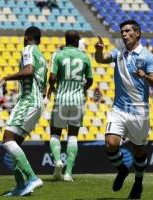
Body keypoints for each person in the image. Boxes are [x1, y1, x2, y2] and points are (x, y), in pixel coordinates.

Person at [95, 20, 153, 199]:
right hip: (119, 109)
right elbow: (101, 59)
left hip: (139, 111)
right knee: (111, 143)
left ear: (137, 33)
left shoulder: (147, 56)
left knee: (138, 150)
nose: (123, 34)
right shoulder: (118, 53)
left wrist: (145, 76)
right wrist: (99, 50)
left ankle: (138, 181)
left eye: (127, 31)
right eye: (122, 31)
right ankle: (122, 169)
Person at [0, 26, 47, 196]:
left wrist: (6, 77)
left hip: (28, 101)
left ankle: (32, 178)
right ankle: (20, 186)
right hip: (37, 102)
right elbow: (44, 87)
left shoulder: (28, 49)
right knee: (14, 144)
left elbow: (29, 71)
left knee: (7, 139)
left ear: (27, 37)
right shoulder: (42, 57)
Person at [47, 30, 93, 182]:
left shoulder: (58, 55)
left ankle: (58, 161)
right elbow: (90, 80)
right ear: (77, 41)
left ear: (66, 40)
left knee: (55, 133)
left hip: (61, 99)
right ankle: (68, 173)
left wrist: (52, 87)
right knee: (73, 135)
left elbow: (52, 77)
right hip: (78, 100)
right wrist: (82, 89)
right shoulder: (84, 56)